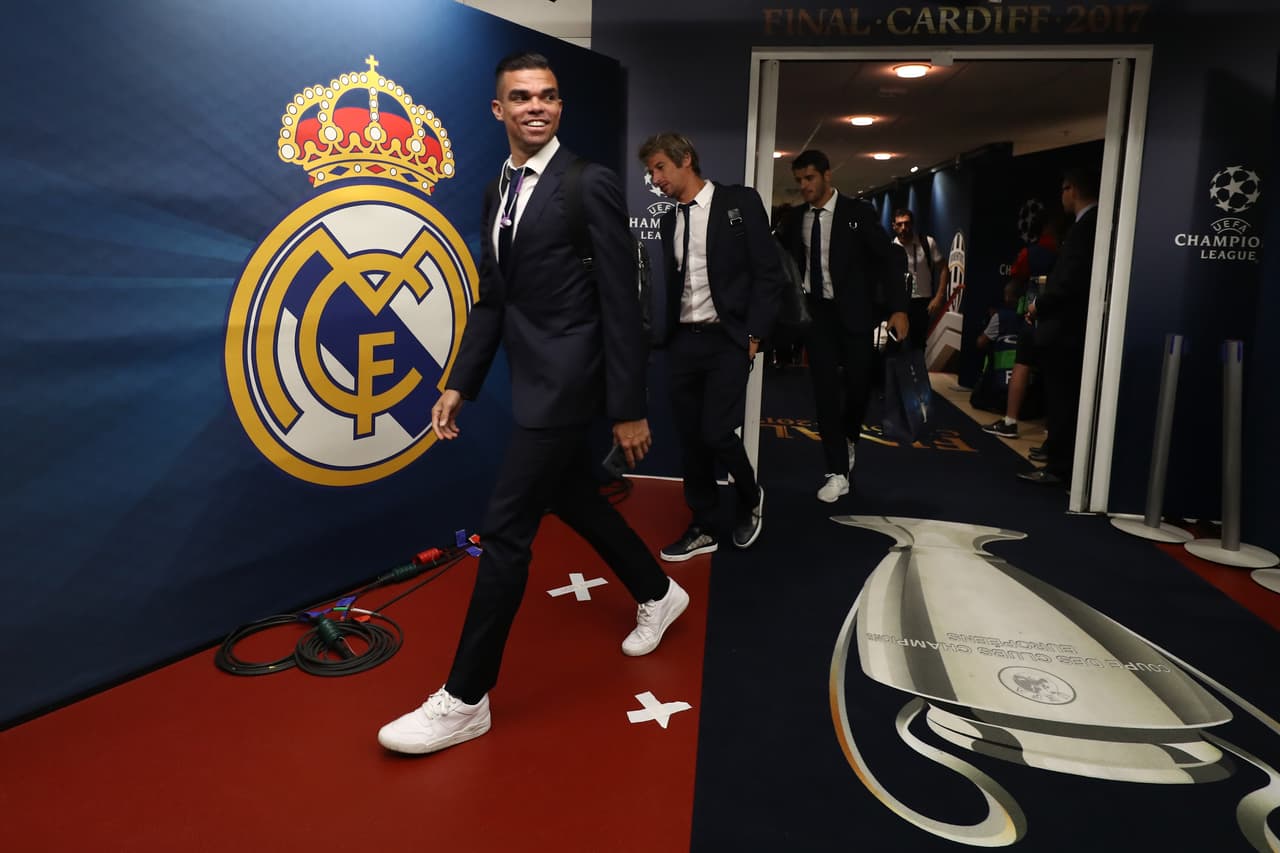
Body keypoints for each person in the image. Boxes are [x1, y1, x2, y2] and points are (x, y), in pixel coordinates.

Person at [377, 52, 687, 756]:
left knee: (506, 530)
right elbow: (494, 296)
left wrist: (628, 406)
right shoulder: (498, 189)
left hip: (569, 384)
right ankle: (657, 590)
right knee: (575, 497)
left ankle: (465, 698)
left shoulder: (588, 182)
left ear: (559, 106)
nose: (535, 106)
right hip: (530, 377)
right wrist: (460, 381)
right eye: (520, 97)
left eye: (547, 96)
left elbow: (622, 302)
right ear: (499, 110)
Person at [638, 132, 784, 559]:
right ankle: (703, 524)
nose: (655, 179)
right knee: (690, 438)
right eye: (650, 172)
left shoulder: (739, 203)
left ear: (686, 159)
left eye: (660, 167)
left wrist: (754, 335)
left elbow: (768, 273)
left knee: (717, 432)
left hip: (728, 340)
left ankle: (750, 497)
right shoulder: (669, 219)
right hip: (683, 341)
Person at [776, 150, 909, 502]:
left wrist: (898, 308)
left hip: (855, 314)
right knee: (824, 391)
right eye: (799, 180)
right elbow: (777, 259)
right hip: (817, 315)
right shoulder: (796, 219)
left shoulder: (857, 213)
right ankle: (837, 471)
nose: (804, 186)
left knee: (859, 386)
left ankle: (848, 437)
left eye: (810, 178)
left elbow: (889, 259)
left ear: (827, 176)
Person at [1017, 167, 1100, 486]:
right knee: (1063, 400)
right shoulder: (1087, 227)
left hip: (1066, 332)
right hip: (1069, 331)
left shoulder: (1085, 228)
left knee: (1063, 400)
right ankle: (1058, 454)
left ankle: (1060, 467)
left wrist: (1039, 306)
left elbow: (1069, 281)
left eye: (1064, 189)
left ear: (1072, 189)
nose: (1062, 197)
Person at [982, 213, 1058, 440]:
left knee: (1022, 364)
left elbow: (1014, 283)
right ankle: (1051, 429)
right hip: (1058, 321)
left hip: (1032, 317)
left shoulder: (1031, 253)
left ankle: (1010, 421)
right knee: (1054, 372)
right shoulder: (1063, 252)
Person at [891, 208, 948, 351]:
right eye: (899, 224)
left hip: (922, 303)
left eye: (907, 223)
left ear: (912, 224)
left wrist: (939, 297)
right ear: (894, 226)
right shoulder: (890, 248)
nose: (903, 228)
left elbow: (943, 268)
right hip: (898, 303)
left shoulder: (927, 243)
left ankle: (916, 366)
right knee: (896, 343)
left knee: (918, 346)